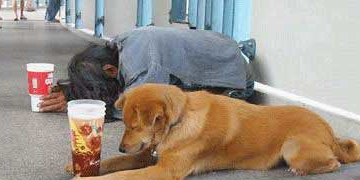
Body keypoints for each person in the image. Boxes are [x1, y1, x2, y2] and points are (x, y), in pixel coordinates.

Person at [40, 26, 254, 122]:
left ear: (110, 70)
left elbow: (137, 112)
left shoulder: (141, 66)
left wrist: (87, 105)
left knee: (167, 112)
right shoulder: (121, 44)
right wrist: (77, 90)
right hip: (225, 51)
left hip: (235, 79)